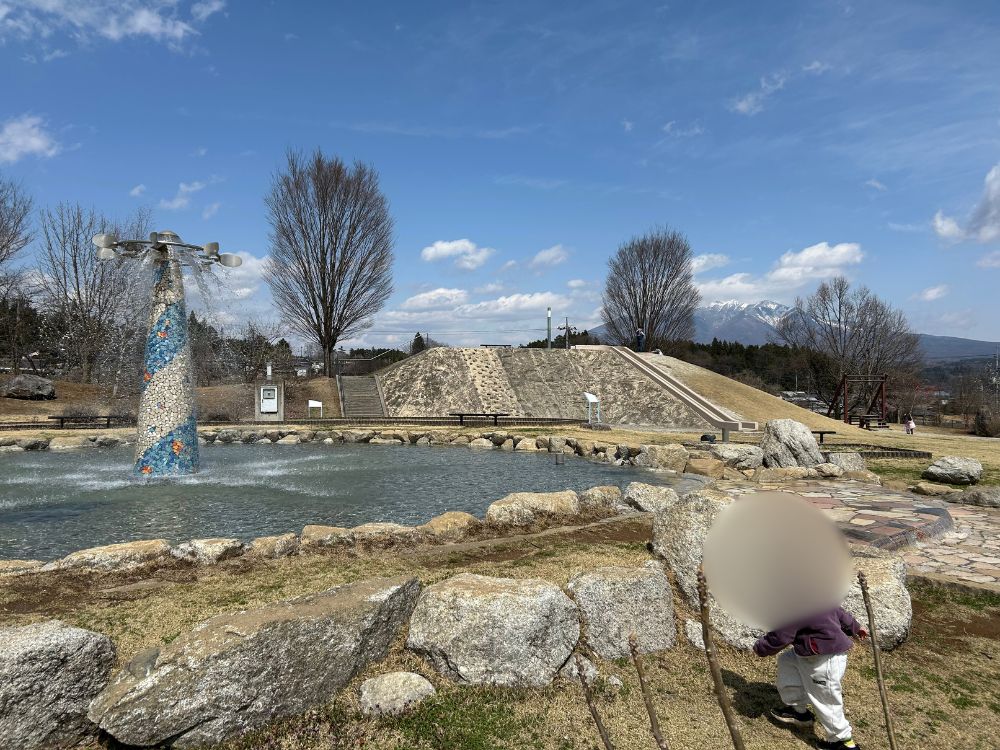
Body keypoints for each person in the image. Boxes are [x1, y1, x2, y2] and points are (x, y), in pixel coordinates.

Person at [754, 607, 868, 750]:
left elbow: (782, 635)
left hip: (825, 658)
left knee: (826, 699)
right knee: (787, 661)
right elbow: (839, 612)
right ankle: (799, 711)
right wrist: (856, 627)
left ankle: (843, 741)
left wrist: (761, 648)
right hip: (810, 653)